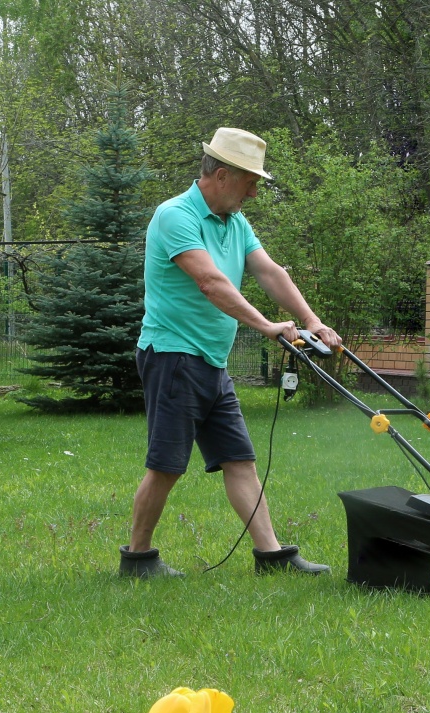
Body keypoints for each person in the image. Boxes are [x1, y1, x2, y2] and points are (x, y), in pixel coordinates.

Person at [119, 128, 344, 578]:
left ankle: (272, 556)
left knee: (239, 460)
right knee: (166, 465)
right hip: (172, 356)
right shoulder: (175, 215)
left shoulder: (234, 222)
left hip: (210, 361)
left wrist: (312, 320)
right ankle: (138, 558)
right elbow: (210, 282)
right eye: (250, 182)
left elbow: (269, 271)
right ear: (222, 175)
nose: (255, 192)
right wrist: (265, 325)